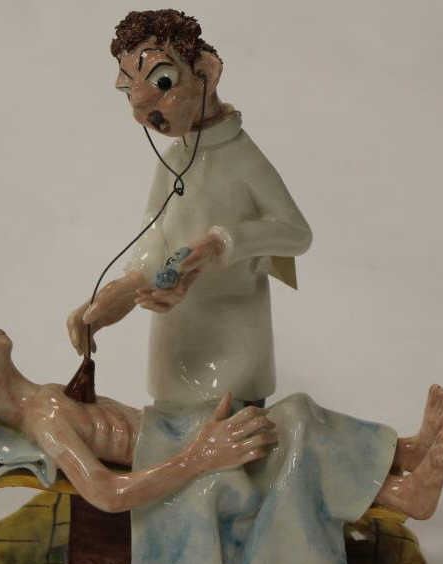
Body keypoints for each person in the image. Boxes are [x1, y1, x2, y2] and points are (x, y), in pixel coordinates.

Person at [0, 323, 443, 526]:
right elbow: (108, 494)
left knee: (296, 414)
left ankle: (404, 452)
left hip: (170, 428)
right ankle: (402, 495)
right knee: (290, 426)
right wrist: (202, 457)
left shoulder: (45, 399)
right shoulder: (44, 421)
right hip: (175, 451)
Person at [67, 10, 312, 406]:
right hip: (177, 336)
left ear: (206, 72)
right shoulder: (173, 161)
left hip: (234, 332)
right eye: (129, 92)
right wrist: (123, 291)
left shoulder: (242, 158)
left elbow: (296, 232)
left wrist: (220, 243)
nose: (141, 107)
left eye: (163, 81)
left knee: (231, 424)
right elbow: (156, 235)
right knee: (169, 427)